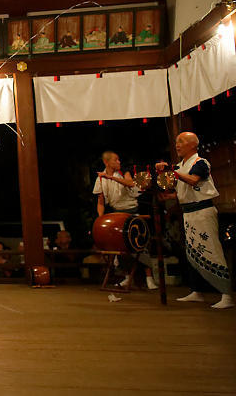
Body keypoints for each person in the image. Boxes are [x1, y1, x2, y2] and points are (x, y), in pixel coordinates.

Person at [157, 132, 233, 309]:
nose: (177, 145)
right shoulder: (180, 166)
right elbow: (181, 190)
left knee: (212, 250)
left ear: (193, 144)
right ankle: (196, 291)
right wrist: (166, 193)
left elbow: (193, 180)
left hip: (203, 211)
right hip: (189, 212)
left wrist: (172, 171)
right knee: (192, 252)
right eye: (176, 142)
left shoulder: (201, 162)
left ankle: (227, 295)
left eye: (181, 141)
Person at [93, 151, 158, 289]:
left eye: (119, 160)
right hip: (116, 214)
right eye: (116, 160)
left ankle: (149, 278)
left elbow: (129, 183)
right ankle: (127, 276)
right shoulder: (100, 178)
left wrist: (111, 177)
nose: (119, 162)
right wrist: (100, 218)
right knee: (119, 246)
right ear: (106, 162)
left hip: (132, 211)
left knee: (140, 244)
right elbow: (100, 201)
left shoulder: (124, 172)